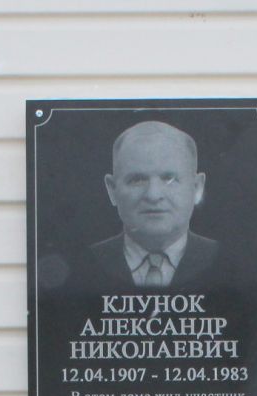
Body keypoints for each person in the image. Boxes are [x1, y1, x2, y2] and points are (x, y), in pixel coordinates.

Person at [87, 119, 221, 289]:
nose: (153, 195)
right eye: (137, 180)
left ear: (197, 187)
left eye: (169, 179)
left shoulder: (229, 263)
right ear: (112, 190)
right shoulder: (82, 265)